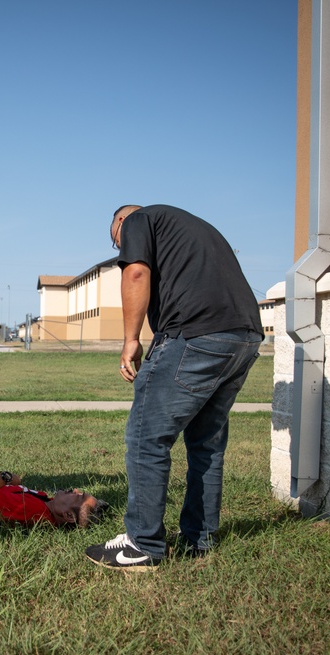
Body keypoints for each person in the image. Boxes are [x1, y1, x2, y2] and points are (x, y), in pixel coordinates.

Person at [85, 204, 263, 572]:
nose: (122, 250)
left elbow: (136, 274)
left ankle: (142, 544)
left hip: (197, 333)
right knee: (205, 443)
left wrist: (131, 339)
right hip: (243, 337)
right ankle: (200, 539)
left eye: (117, 244)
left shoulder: (137, 219)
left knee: (146, 435)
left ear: (120, 223)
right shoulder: (196, 229)